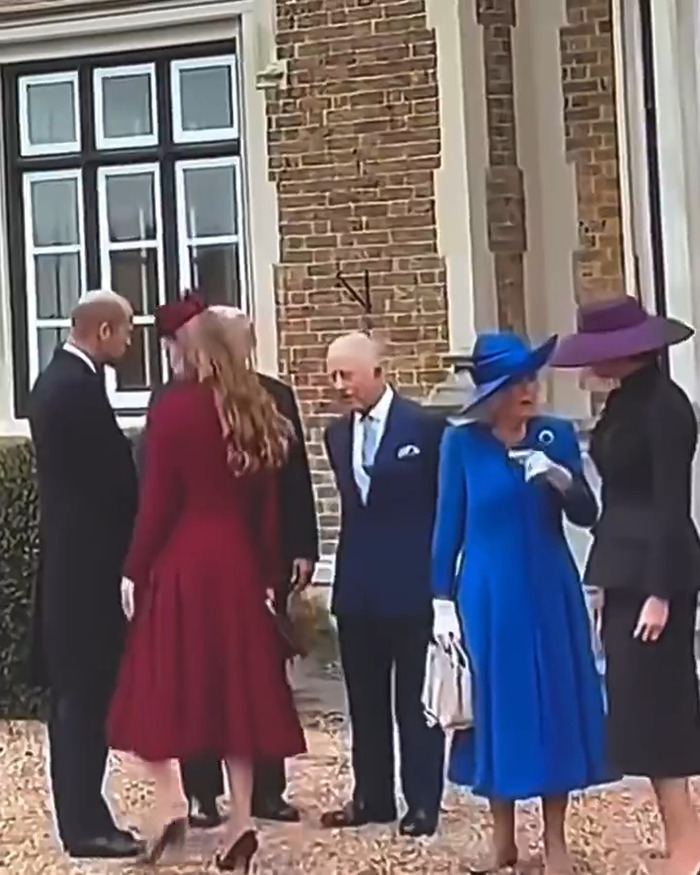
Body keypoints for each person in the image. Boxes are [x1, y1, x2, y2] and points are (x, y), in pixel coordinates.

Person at [107, 304, 306, 869]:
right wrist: (268, 575)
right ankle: (241, 821)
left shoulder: (175, 409)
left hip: (183, 560)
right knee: (235, 691)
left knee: (158, 682)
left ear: (192, 350)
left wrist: (133, 566)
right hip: (238, 564)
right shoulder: (254, 408)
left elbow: (158, 503)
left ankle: (173, 800)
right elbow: (267, 508)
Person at [431, 332, 607, 875]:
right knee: (496, 711)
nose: (529, 389)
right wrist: (441, 602)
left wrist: (560, 478)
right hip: (488, 595)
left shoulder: (554, 435)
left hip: (549, 588)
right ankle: (502, 838)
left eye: (531, 378)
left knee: (553, 706)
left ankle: (556, 840)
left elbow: (587, 513)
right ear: (493, 393)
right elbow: (447, 530)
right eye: (516, 383)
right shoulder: (461, 445)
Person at [550, 296, 700, 875]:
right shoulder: (624, 403)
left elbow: (670, 504)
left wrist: (660, 591)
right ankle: (680, 843)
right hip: (625, 567)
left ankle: (688, 850)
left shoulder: (665, 407)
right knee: (639, 712)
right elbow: (615, 498)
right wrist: (608, 580)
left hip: (657, 574)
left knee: (662, 711)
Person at [27, 290, 142, 859]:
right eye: (124, 332)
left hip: (75, 563)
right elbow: (106, 480)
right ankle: (84, 824)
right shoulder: (72, 389)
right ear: (101, 331)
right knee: (82, 700)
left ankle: (85, 815)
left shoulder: (65, 381)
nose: (128, 342)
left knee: (83, 698)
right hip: (83, 570)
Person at [321, 332, 446, 837]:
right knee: (365, 702)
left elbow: (443, 505)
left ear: (376, 371)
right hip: (357, 589)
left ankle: (422, 803)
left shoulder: (426, 427)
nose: (338, 386)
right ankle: (371, 796)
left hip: (411, 586)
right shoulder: (335, 435)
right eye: (332, 376)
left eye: (345, 375)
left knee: (414, 704)